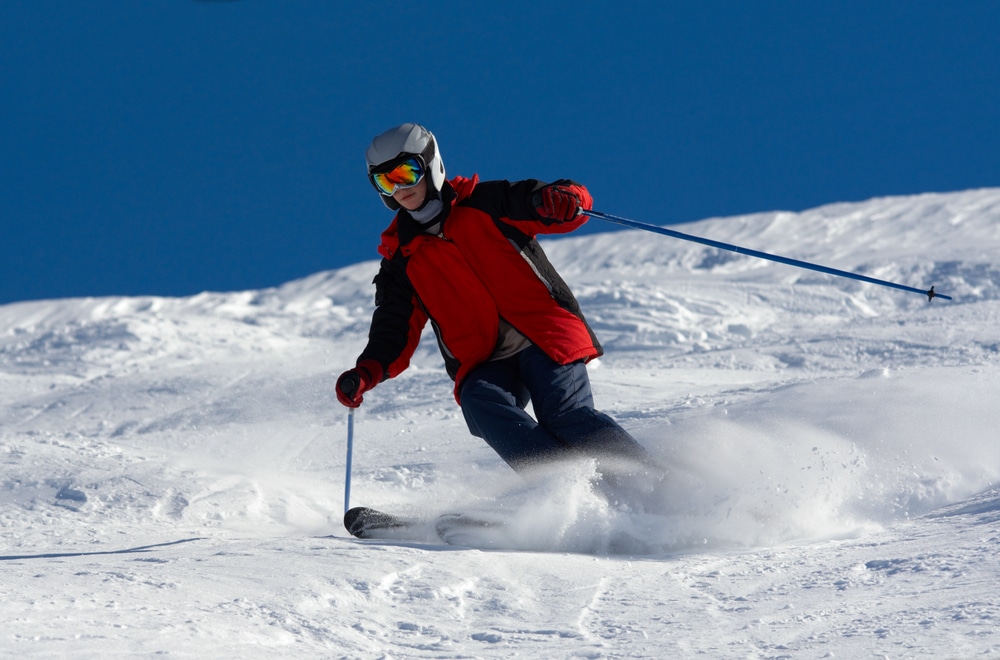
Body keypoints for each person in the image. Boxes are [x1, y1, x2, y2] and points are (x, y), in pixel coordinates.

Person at [336, 123, 657, 497]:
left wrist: (563, 198)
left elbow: (551, 201)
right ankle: (565, 491)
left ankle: (653, 487)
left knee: (564, 416)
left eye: (407, 173)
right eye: (385, 182)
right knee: (479, 402)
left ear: (431, 164)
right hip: (485, 360)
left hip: (544, 335)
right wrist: (367, 371)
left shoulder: (486, 202)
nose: (400, 188)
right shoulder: (401, 258)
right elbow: (393, 328)